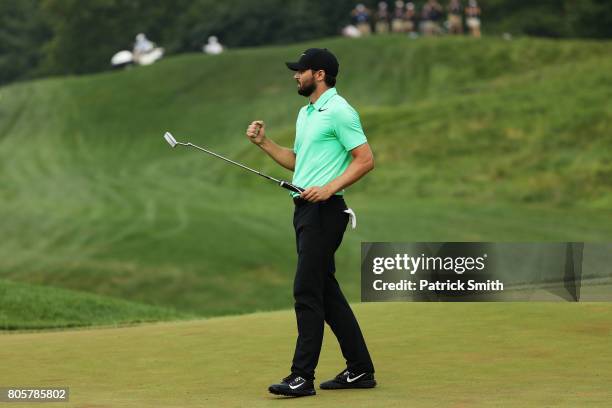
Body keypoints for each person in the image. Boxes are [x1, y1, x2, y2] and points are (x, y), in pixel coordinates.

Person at [246, 48, 376, 397]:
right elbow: (299, 163)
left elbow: (365, 160)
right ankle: (361, 369)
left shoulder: (339, 111)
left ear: (319, 74)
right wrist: (264, 144)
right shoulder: (307, 113)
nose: (295, 76)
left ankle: (301, 376)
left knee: (306, 290)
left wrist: (329, 187)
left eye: (300, 71)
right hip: (305, 211)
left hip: (326, 211)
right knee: (326, 292)